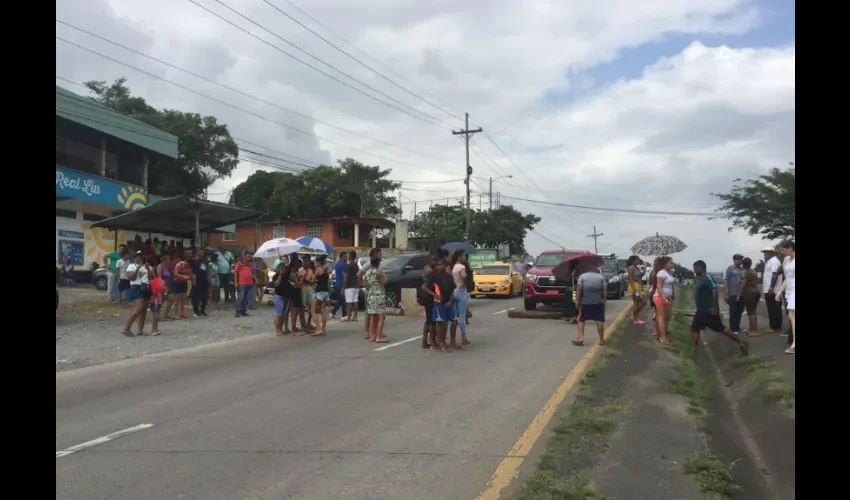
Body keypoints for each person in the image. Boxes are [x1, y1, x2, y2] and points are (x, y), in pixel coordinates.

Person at [690, 260, 748, 357]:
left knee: (721, 329)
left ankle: (740, 342)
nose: (694, 270)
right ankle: (694, 350)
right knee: (695, 329)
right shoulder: (699, 278)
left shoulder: (707, 278)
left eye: (695, 268)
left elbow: (715, 291)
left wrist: (715, 308)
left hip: (709, 311)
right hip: (701, 310)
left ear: (701, 267)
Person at [572, 262, 607, 346]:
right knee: (599, 320)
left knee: (581, 320)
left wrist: (577, 301)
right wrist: (604, 302)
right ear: (594, 268)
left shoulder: (582, 277)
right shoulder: (601, 277)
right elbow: (604, 291)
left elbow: (579, 291)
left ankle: (580, 339)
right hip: (598, 302)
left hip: (585, 302)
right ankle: (601, 339)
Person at [426, 257, 455, 352]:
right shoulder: (433, 275)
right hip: (438, 303)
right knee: (439, 322)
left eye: (441, 265)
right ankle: (440, 342)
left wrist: (450, 301)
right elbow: (424, 287)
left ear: (445, 266)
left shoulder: (448, 276)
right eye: (438, 265)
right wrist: (435, 295)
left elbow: (452, 290)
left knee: (446, 322)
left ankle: (443, 341)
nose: (439, 267)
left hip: (448, 302)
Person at [122, 251, 153, 337]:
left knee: (144, 309)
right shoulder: (131, 266)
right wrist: (137, 268)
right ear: (135, 258)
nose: (140, 258)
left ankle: (140, 330)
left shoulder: (147, 266)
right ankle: (126, 329)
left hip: (146, 287)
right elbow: (131, 278)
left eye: (141, 256)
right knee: (138, 308)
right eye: (138, 257)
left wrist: (148, 269)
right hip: (136, 287)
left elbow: (152, 277)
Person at [360, 253, 388, 342]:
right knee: (381, 317)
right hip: (379, 295)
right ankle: (378, 336)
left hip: (370, 295)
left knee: (372, 317)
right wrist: (384, 276)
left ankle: (373, 335)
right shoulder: (379, 272)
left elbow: (364, 284)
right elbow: (384, 283)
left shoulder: (367, 272)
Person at [775, 240, 795, 354]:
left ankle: (794, 345)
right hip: (789, 290)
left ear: (791, 248)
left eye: (784, 249)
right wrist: (779, 291)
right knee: (792, 317)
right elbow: (787, 278)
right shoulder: (786, 260)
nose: (782, 251)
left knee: (793, 316)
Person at [653, 256, 676, 347]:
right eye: (670, 263)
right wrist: (664, 298)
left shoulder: (669, 273)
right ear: (664, 264)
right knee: (661, 317)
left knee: (667, 318)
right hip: (660, 297)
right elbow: (659, 286)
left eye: (672, 263)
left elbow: (670, 285)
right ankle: (663, 338)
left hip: (668, 297)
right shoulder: (661, 273)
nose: (672, 264)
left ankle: (662, 335)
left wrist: (671, 296)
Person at [761, 246, 784, 334]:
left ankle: (774, 326)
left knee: (773, 309)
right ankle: (776, 326)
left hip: (773, 290)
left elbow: (775, 275)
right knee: (774, 308)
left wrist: (771, 288)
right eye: (764, 253)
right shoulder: (769, 261)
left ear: (771, 253)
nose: (765, 254)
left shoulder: (774, 261)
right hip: (770, 290)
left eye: (766, 252)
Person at [737, 257, 762, 337]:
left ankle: (754, 331)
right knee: (753, 311)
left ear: (743, 264)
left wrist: (739, 294)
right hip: (756, 291)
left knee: (751, 313)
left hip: (749, 293)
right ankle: (752, 330)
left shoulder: (745, 272)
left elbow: (743, 284)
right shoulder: (754, 271)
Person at [451, 250, 471, 347]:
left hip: (454, 291)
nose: (465, 257)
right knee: (462, 315)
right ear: (459, 257)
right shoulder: (462, 267)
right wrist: (465, 284)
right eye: (463, 256)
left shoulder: (454, 267)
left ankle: (452, 338)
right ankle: (463, 337)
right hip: (461, 291)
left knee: (453, 315)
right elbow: (464, 275)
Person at [724, 254, 745, 335]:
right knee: (733, 311)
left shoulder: (743, 269)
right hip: (732, 294)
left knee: (740, 310)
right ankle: (733, 328)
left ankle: (737, 326)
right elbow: (726, 280)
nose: (740, 261)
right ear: (734, 260)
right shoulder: (730, 269)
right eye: (738, 259)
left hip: (741, 294)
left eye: (741, 259)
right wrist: (726, 292)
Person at [418, 258, 437, 349]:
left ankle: (425, 341)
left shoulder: (425, 268)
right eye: (433, 260)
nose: (435, 262)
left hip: (425, 297)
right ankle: (431, 342)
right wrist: (434, 294)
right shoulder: (430, 271)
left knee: (428, 320)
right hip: (429, 297)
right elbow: (425, 286)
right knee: (431, 321)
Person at [311, 255, 331, 336]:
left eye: (315, 262)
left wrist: (314, 278)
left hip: (319, 292)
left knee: (312, 311)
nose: (314, 264)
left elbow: (312, 281)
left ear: (318, 263)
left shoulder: (317, 270)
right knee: (323, 311)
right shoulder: (326, 270)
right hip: (326, 292)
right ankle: (323, 330)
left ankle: (318, 329)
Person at [170, 250, 192, 320]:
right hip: (178, 282)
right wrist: (183, 276)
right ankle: (175, 314)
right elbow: (175, 273)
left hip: (184, 282)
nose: (190, 255)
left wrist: (189, 276)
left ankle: (182, 313)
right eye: (189, 254)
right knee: (177, 299)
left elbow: (188, 273)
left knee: (183, 298)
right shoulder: (179, 264)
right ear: (185, 255)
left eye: (191, 254)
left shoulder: (188, 265)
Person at [234, 251, 256, 317]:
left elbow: (252, 273)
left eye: (250, 257)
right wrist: (236, 282)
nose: (249, 258)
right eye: (248, 257)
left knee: (246, 298)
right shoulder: (239, 263)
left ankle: (243, 311)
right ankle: (238, 311)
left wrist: (255, 279)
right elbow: (235, 273)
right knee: (241, 297)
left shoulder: (250, 264)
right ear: (244, 257)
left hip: (250, 283)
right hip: (242, 283)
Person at [189, 249, 210, 317]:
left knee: (205, 297)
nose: (203, 253)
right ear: (197, 253)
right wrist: (193, 280)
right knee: (197, 297)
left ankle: (202, 310)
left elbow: (207, 270)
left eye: (203, 252)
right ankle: (196, 310)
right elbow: (191, 271)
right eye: (201, 252)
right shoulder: (193, 261)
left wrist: (209, 278)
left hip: (204, 281)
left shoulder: (205, 261)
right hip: (197, 281)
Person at [626, 255, 646, 324]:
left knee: (643, 302)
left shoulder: (636, 268)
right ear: (633, 260)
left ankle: (634, 316)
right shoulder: (631, 268)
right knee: (636, 302)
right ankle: (635, 319)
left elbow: (642, 275)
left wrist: (644, 266)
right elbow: (630, 279)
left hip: (638, 287)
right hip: (634, 287)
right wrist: (635, 290)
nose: (639, 261)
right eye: (637, 260)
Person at [271, 262, 290, 336]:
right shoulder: (276, 276)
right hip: (279, 296)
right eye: (281, 268)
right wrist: (280, 275)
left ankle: (281, 328)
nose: (283, 269)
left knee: (283, 314)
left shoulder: (286, 275)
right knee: (278, 314)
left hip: (286, 295)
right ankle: (277, 330)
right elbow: (276, 284)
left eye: (284, 268)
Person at [343, 251, 360, 322]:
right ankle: (355, 316)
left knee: (349, 302)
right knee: (355, 301)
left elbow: (346, 277)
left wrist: (343, 287)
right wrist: (358, 285)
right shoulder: (357, 266)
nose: (347, 257)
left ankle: (349, 317)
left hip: (349, 286)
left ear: (350, 257)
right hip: (356, 286)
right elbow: (359, 276)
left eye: (348, 255)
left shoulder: (348, 266)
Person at [330, 253, 348, 320]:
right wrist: (343, 287)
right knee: (343, 300)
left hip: (338, 284)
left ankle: (333, 312)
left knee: (340, 300)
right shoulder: (342, 265)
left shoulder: (338, 264)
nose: (346, 258)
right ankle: (344, 315)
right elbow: (345, 276)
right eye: (345, 256)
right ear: (342, 257)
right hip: (341, 284)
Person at [299, 258, 316, 328]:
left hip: (310, 289)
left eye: (308, 263)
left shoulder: (310, 271)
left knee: (311, 307)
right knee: (302, 307)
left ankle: (309, 322)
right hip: (303, 289)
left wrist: (312, 282)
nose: (307, 264)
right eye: (306, 263)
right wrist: (310, 282)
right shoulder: (301, 270)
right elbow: (302, 280)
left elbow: (312, 280)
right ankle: (303, 324)